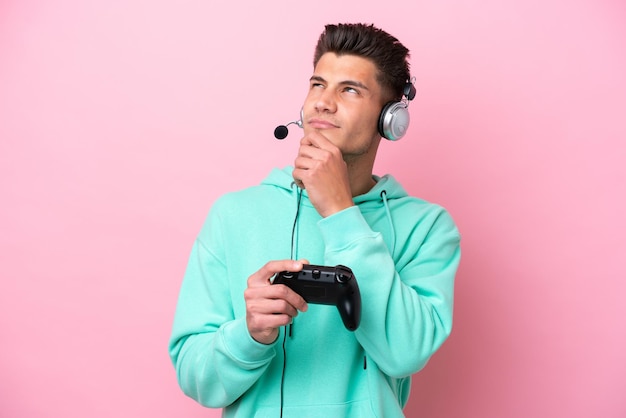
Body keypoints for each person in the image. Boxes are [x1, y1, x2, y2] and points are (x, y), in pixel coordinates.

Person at [168, 23, 461, 417]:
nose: (323, 102)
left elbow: (406, 351)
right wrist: (249, 335)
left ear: (390, 118)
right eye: (318, 85)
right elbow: (195, 378)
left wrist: (340, 211)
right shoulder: (234, 215)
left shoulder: (427, 228)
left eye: (350, 90)